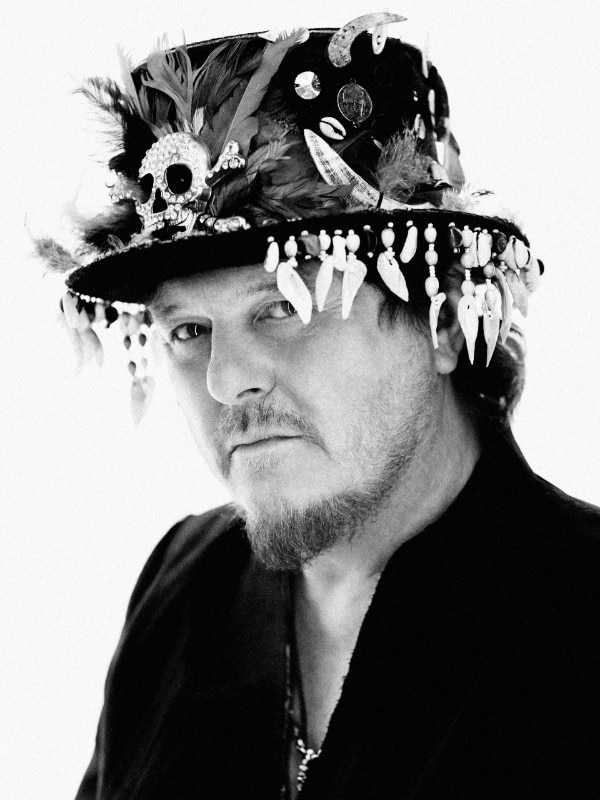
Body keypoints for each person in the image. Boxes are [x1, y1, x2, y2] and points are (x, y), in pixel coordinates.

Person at [39, 13, 600, 799]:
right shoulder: (183, 586)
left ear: (441, 321)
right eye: (189, 330)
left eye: (283, 306)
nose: (226, 380)